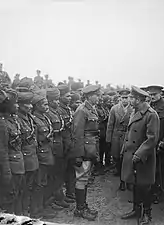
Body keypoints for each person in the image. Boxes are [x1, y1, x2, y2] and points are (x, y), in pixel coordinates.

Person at [120, 86, 160, 225]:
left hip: (144, 157)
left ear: (138, 99)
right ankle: (136, 210)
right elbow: (129, 133)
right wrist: (124, 149)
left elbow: (152, 139)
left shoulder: (151, 114)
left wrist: (139, 154)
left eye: (131, 97)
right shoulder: (134, 111)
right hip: (132, 154)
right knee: (136, 184)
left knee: (145, 186)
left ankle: (147, 214)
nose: (129, 99)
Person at [69, 84, 101, 221]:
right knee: (81, 178)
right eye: (96, 95)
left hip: (90, 149)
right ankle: (80, 209)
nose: (98, 98)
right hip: (84, 150)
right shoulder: (82, 110)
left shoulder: (90, 109)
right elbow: (77, 134)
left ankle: (82, 205)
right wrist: (78, 155)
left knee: (85, 178)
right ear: (89, 96)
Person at [0, 88, 25, 214]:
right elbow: (2, 151)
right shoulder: (1, 123)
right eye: (15, 103)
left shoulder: (13, 120)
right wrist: (6, 173)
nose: (17, 106)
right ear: (8, 106)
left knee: (18, 196)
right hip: (11, 168)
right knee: (10, 200)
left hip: (18, 165)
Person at [30, 90, 57, 219]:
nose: (47, 107)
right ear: (36, 106)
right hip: (40, 157)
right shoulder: (34, 119)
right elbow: (35, 142)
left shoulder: (44, 117)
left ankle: (43, 206)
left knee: (44, 183)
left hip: (47, 155)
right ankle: (37, 211)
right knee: (38, 185)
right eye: (44, 105)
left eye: (47, 104)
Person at [147, 85, 164, 203]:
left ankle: (159, 194)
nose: (152, 97)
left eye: (155, 94)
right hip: (149, 145)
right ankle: (150, 192)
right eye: (151, 95)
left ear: (160, 94)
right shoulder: (147, 107)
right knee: (149, 171)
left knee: (159, 172)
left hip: (160, 147)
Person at [45, 87, 70, 209]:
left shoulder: (56, 111)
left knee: (59, 174)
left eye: (57, 99)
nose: (57, 102)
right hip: (53, 148)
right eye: (54, 100)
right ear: (49, 101)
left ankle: (59, 196)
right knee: (53, 175)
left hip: (60, 147)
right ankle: (53, 199)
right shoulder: (47, 113)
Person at [16, 88, 39, 214]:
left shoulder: (29, 117)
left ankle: (28, 210)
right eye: (27, 104)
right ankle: (23, 213)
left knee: (30, 187)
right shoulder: (17, 119)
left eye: (31, 103)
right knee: (23, 189)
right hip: (23, 160)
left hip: (32, 158)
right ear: (19, 105)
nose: (30, 106)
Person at [106, 88, 133, 190]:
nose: (125, 100)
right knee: (118, 159)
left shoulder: (133, 109)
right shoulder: (114, 109)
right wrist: (108, 139)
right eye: (123, 98)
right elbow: (110, 125)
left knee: (128, 159)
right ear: (119, 98)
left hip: (128, 136)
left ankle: (128, 180)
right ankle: (122, 180)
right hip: (116, 137)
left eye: (127, 98)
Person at [57, 84, 76, 203]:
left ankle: (70, 192)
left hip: (69, 144)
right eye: (67, 96)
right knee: (60, 173)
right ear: (60, 97)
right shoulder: (58, 110)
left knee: (71, 170)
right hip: (62, 146)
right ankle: (59, 197)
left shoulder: (68, 109)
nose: (69, 98)